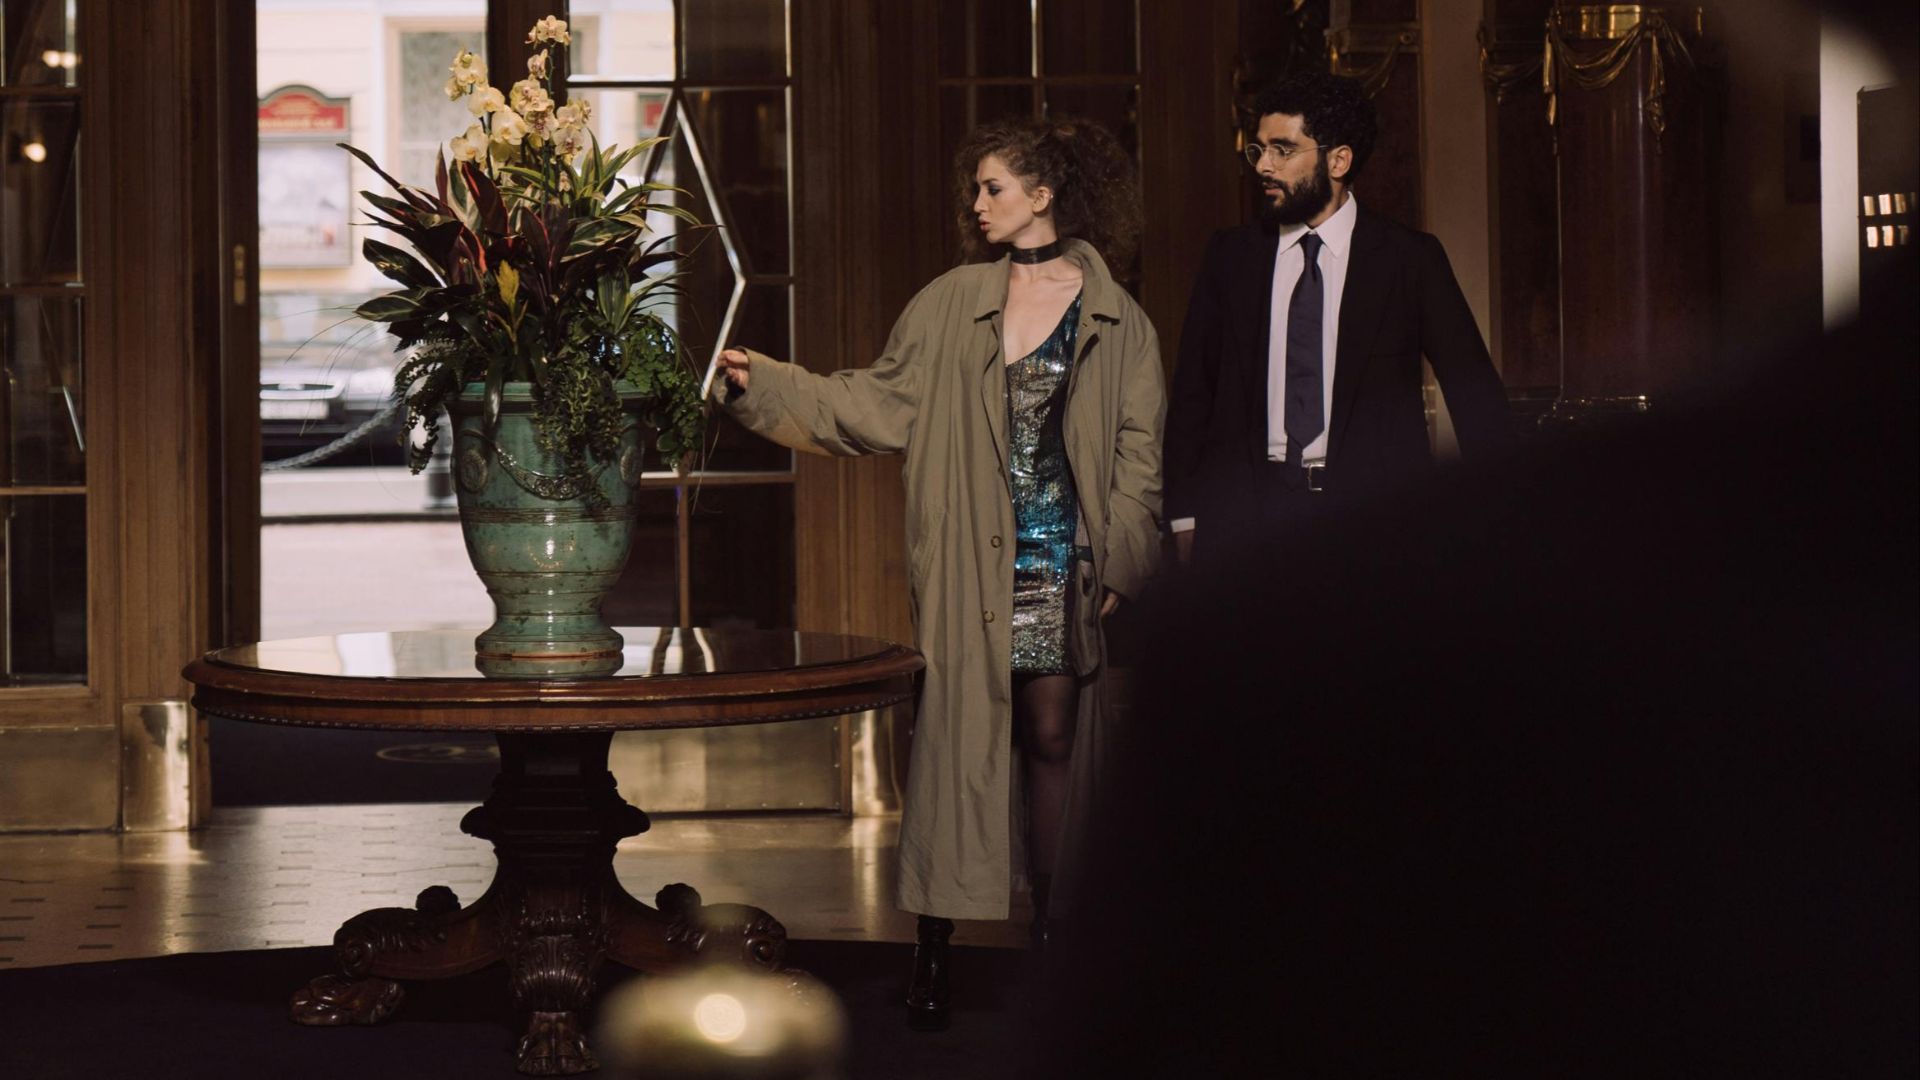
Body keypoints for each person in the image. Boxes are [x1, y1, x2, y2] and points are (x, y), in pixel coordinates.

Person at [711, 116, 1165, 1032]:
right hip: (969, 558)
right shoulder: (950, 301)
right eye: (977, 189)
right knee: (956, 748)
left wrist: (1120, 554)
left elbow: (1137, 451)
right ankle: (933, 942)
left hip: (1059, 559)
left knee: (1052, 742)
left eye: (994, 187)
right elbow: (872, 401)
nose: (978, 203)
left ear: (1045, 196)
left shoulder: (1119, 317)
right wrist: (765, 382)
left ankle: (1053, 944)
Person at [1163, 71, 1512, 562]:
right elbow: (1191, 396)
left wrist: (1498, 519)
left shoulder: (1409, 259)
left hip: (1377, 524)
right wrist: (1183, 515)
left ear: (1339, 159)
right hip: (1245, 524)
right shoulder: (1230, 258)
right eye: (1258, 150)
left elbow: (1474, 394)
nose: (1264, 165)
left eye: (1283, 150)